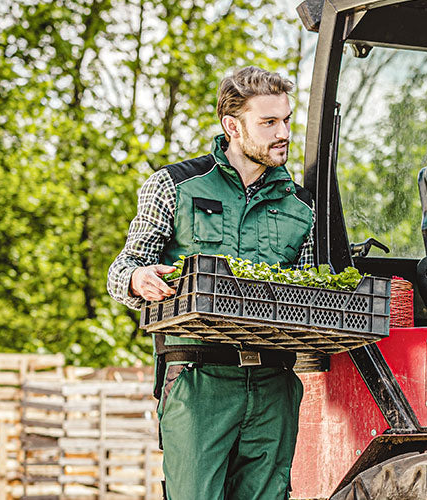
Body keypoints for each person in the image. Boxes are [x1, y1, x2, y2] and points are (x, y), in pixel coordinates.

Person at [107, 66, 315, 500]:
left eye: (287, 120)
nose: (283, 133)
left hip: (274, 384)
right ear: (232, 126)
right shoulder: (174, 186)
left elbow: (315, 293)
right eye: (269, 122)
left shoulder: (303, 206)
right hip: (199, 381)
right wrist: (137, 278)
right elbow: (121, 269)